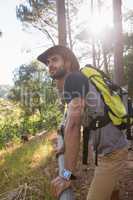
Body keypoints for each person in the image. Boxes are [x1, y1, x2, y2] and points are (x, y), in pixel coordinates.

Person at [37, 45, 128, 200]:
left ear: (68, 63)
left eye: (55, 59)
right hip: (109, 147)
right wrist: (64, 145)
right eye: (48, 62)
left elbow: (73, 126)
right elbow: (69, 121)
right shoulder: (77, 80)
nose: (50, 64)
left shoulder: (73, 79)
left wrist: (66, 176)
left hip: (111, 153)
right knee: (112, 189)